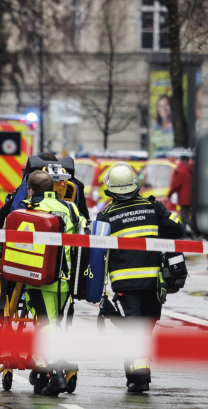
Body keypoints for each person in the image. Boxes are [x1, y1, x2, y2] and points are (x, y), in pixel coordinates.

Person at [96, 161, 184, 393]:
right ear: (136, 185)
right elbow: (178, 230)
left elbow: (96, 254)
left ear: (110, 189)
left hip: (125, 283)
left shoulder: (106, 216)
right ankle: (139, 375)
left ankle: (138, 375)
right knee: (144, 327)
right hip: (153, 283)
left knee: (134, 328)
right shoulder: (154, 208)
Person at [17, 169, 85, 396]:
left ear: (31, 189)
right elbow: (83, 233)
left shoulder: (27, 209)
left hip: (38, 280)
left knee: (46, 324)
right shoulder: (71, 208)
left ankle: (55, 374)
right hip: (65, 281)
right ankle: (43, 371)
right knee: (52, 324)